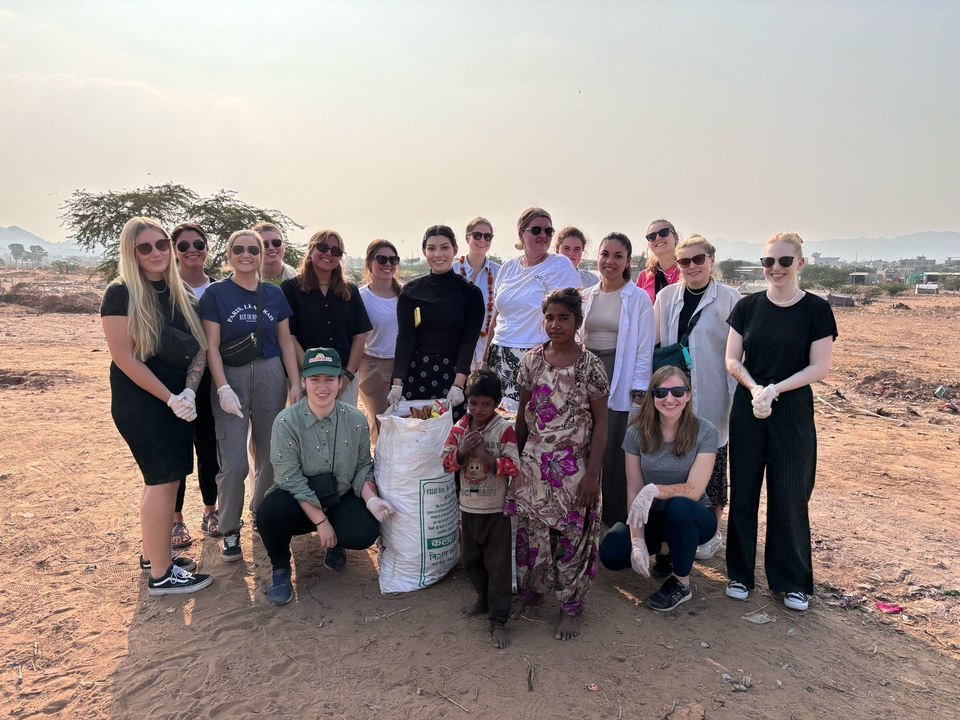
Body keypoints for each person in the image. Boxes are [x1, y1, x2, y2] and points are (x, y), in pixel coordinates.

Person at [724, 232, 837, 612]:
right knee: (743, 491)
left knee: (790, 494)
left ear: (799, 264)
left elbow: (819, 367)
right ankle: (740, 574)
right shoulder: (747, 307)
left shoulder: (817, 310)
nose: (775, 268)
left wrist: (776, 389)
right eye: (768, 262)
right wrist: (756, 388)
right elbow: (732, 359)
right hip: (749, 406)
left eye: (784, 261)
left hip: (791, 410)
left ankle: (791, 581)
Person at [100, 216, 213, 595]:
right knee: (163, 481)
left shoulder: (179, 291)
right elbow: (124, 358)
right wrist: (170, 398)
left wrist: (189, 393)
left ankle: (155, 553)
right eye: (145, 247)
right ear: (132, 252)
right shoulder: (121, 293)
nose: (156, 253)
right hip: (144, 402)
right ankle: (162, 576)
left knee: (163, 480)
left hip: (178, 401)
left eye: (161, 244)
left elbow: (199, 348)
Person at [508, 288, 608, 641]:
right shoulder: (531, 361)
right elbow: (522, 417)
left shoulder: (590, 365)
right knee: (531, 534)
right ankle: (531, 592)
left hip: (574, 469)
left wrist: (593, 474)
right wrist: (514, 462)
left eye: (564, 318)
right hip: (534, 466)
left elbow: (601, 425)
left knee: (572, 538)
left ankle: (570, 607)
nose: (555, 324)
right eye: (550, 317)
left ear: (578, 322)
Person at [258, 347, 395, 606]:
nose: (323, 387)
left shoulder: (355, 419)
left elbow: (363, 467)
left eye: (329, 379)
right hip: (300, 503)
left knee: (364, 531)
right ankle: (280, 568)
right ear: (303, 382)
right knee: (269, 511)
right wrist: (321, 522)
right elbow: (290, 479)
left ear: (340, 382)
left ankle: (337, 543)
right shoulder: (286, 422)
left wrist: (371, 499)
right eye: (315, 379)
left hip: (339, 497)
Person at [199, 229, 302, 564]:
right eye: (239, 249)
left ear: (261, 256)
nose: (247, 255)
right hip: (231, 376)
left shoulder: (273, 295)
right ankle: (229, 529)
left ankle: (261, 511)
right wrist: (222, 386)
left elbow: (286, 342)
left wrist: (295, 384)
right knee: (234, 462)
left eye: (253, 250)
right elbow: (211, 346)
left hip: (271, 373)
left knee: (271, 454)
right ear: (228, 254)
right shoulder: (216, 294)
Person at [598, 367, 719, 611]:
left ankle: (681, 584)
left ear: (688, 395)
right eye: (661, 392)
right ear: (652, 397)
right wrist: (637, 541)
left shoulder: (705, 431)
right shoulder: (636, 432)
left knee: (678, 507)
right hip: (652, 514)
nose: (669, 399)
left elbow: (694, 490)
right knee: (611, 553)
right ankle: (669, 547)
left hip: (694, 515)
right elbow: (634, 489)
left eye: (677, 391)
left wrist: (655, 489)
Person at [653, 234, 741, 560]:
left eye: (698, 259)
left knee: (713, 459)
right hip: (674, 396)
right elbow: (656, 341)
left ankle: (711, 532)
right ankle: (674, 530)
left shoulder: (730, 299)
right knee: (676, 459)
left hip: (715, 391)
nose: (692, 266)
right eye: (684, 261)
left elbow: (740, 350)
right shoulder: (665, 297)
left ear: (711, 260)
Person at [441, 370, 519, 648]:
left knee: (498, 566)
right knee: (472, 561)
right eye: (474, 403)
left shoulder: (503, 428)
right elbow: (446, 463)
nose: (479, 409)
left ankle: (499, 620)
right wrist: (462, 451)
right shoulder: (460, 428)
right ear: (467, 401)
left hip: (496, 511)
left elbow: (513, 466)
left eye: (486, 403)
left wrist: (486, 456)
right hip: (469, 508)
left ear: (496, 402)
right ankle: (483, 600)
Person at [581, 232, 655, 527]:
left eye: (618, 256)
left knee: (612, 446)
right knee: (584, 441)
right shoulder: (586, 295)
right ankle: (582, 513)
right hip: (586, 372)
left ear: (627, 262)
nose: (610, 261)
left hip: (617, 373)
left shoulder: (638, 299)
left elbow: (644, 347)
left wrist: (639, 387)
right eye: (605, 254)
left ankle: (612, 520)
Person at [482, 208, 581, 401]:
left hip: (539, 357)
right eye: (536, 230)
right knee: (499, 421)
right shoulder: (507, 268)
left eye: (548, 231)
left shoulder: (560, 265)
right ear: (521, 234)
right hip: (500, 353)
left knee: (536, 421)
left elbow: (573, 316)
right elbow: (497, 316)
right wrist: (485, 358)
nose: (543, 236)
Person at [388, 225, 484, 415]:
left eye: (444, 247)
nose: (438, 254)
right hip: (416, 374)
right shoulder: (411, 291)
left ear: (455, 250)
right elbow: (405, 337)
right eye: (431, 248)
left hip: (454, 374)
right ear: (424, 251)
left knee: (451, 439)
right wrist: (397, 383)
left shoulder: (470, 293)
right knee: (415, 435)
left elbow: (469, 340)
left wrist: (458, 385)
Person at [281, 230, 371, 407]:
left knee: (343, 431)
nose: (329, 253)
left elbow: (359, 336)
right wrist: (313, 373)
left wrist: (347, 377)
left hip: (344, 375)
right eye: (323, 247)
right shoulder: (291, 289)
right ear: (311, 250)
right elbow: (289, 337)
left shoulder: (350, 291)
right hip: (305, 377)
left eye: (336, 251)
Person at [171, 222, 220, 539]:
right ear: (174, 251)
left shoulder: (218, 290)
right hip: (172, 381)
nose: (192, 250)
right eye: (184, 245)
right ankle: (175, 518)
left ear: (207, 250)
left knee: (208, 449)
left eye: (199, 244)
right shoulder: (164, 288)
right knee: (174, 451)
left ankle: (210, 511)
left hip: (210, 383)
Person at [358, 239, 401, 442]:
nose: (388, 264)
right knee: (380, 424)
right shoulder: (360, 297)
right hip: (372, 364)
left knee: (402, 421)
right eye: (381, 259)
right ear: (369, 264)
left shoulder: (406, 295)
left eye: (393, 259)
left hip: (401, 365)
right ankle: (380, 469)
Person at [453, 217, 500, 371]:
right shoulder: (451, 271)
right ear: (467, 238)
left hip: (487, 351)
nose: (482, 240)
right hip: (455, 350)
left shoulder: (500, 272)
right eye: (477, 235)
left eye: (487, 236)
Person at [637, 218, 681, 305]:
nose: (658, 238)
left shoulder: (689, 270)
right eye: (652, 236)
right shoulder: (644, 277)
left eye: (663, 232)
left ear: (675, 237)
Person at [254, 221, 297, 286]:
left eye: (276, 242)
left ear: (284, 245)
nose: (271, 248)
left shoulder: (296, 280)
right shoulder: (244, 280)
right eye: (264, 244)